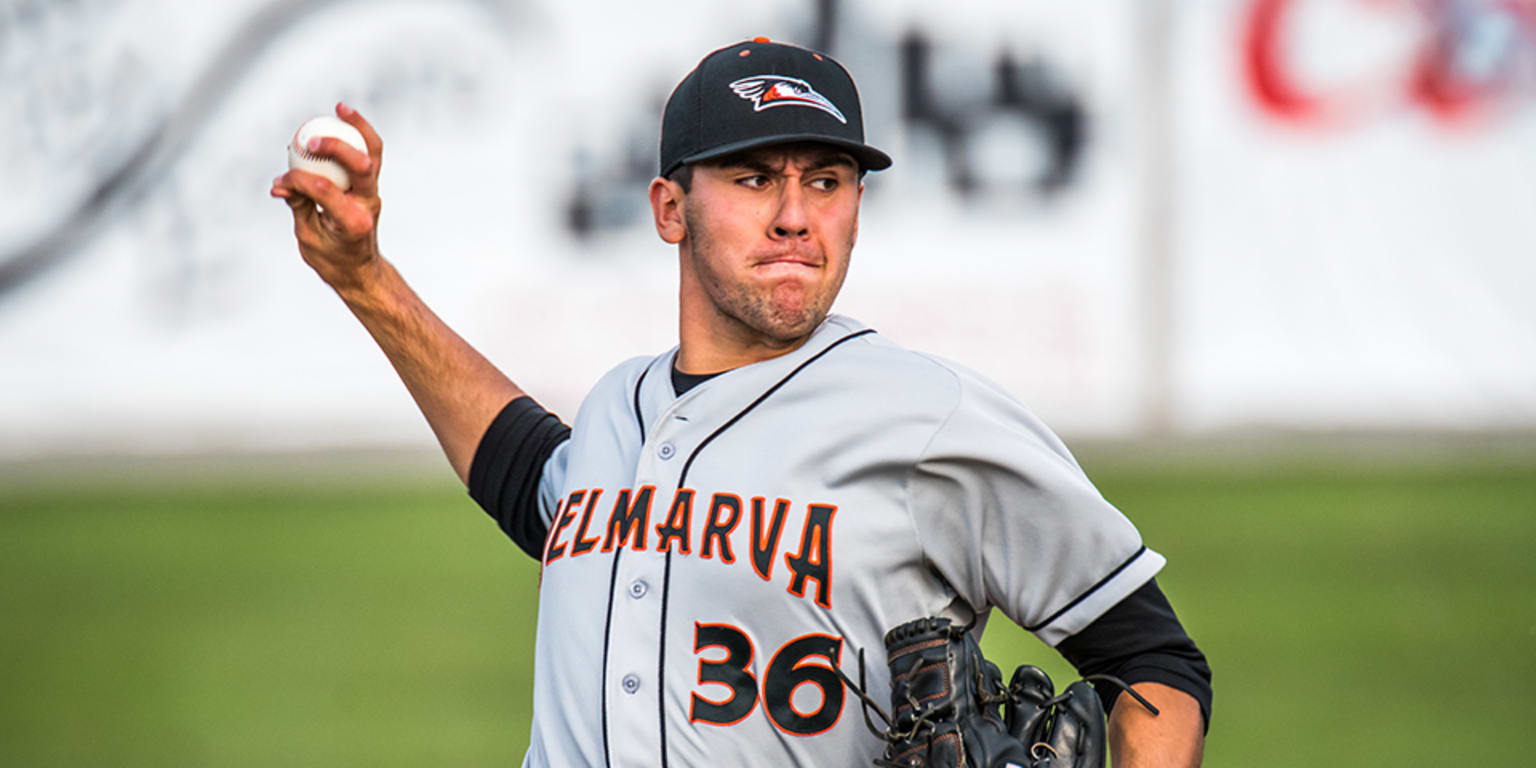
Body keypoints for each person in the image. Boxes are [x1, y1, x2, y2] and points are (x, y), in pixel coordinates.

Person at [272, 38, 1211, 768]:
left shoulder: (929, 417)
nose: (796, 214)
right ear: (669, 210)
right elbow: (531, 482)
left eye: (827, 180)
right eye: (755, 177)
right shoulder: (615, 412)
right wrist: (364, 281)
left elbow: (1154, 662)